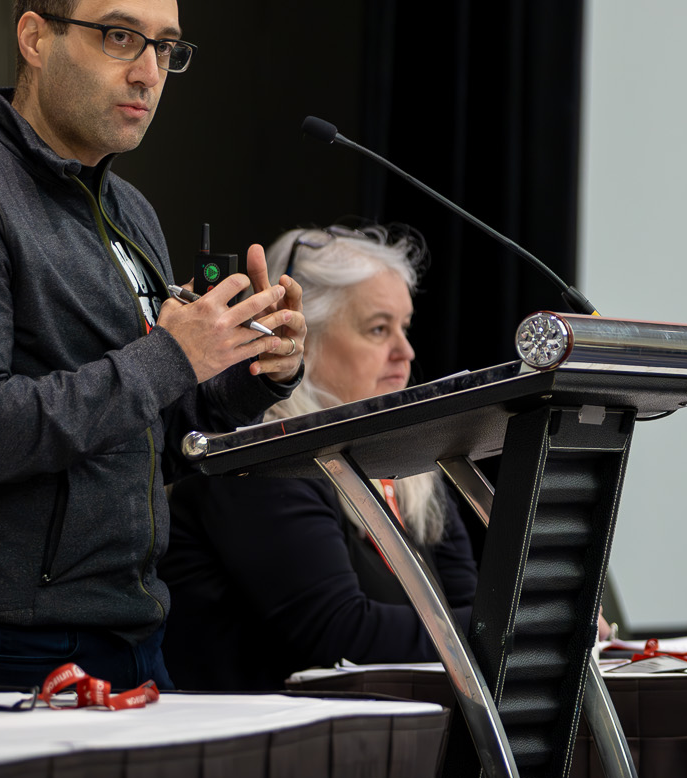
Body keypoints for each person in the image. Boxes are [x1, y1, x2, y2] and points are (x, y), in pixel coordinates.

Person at [0, 0, 309, 691]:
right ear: (36, 39)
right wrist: (170, 354)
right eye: (118, 37)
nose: (149, 72)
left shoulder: (130, 210)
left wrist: (250, 371)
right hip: (5, 642)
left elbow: (147, 425)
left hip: (134, 627)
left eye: (166, 48)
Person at [160, 224, 476, 690]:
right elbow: (341, 634)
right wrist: (518, 628)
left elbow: (467, 598)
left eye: (403, 328)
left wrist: (524, 622)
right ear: (304, 333)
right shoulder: (260, 459)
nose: (405, 352)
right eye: (378, 329)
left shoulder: (413, 469)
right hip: (265, 748)